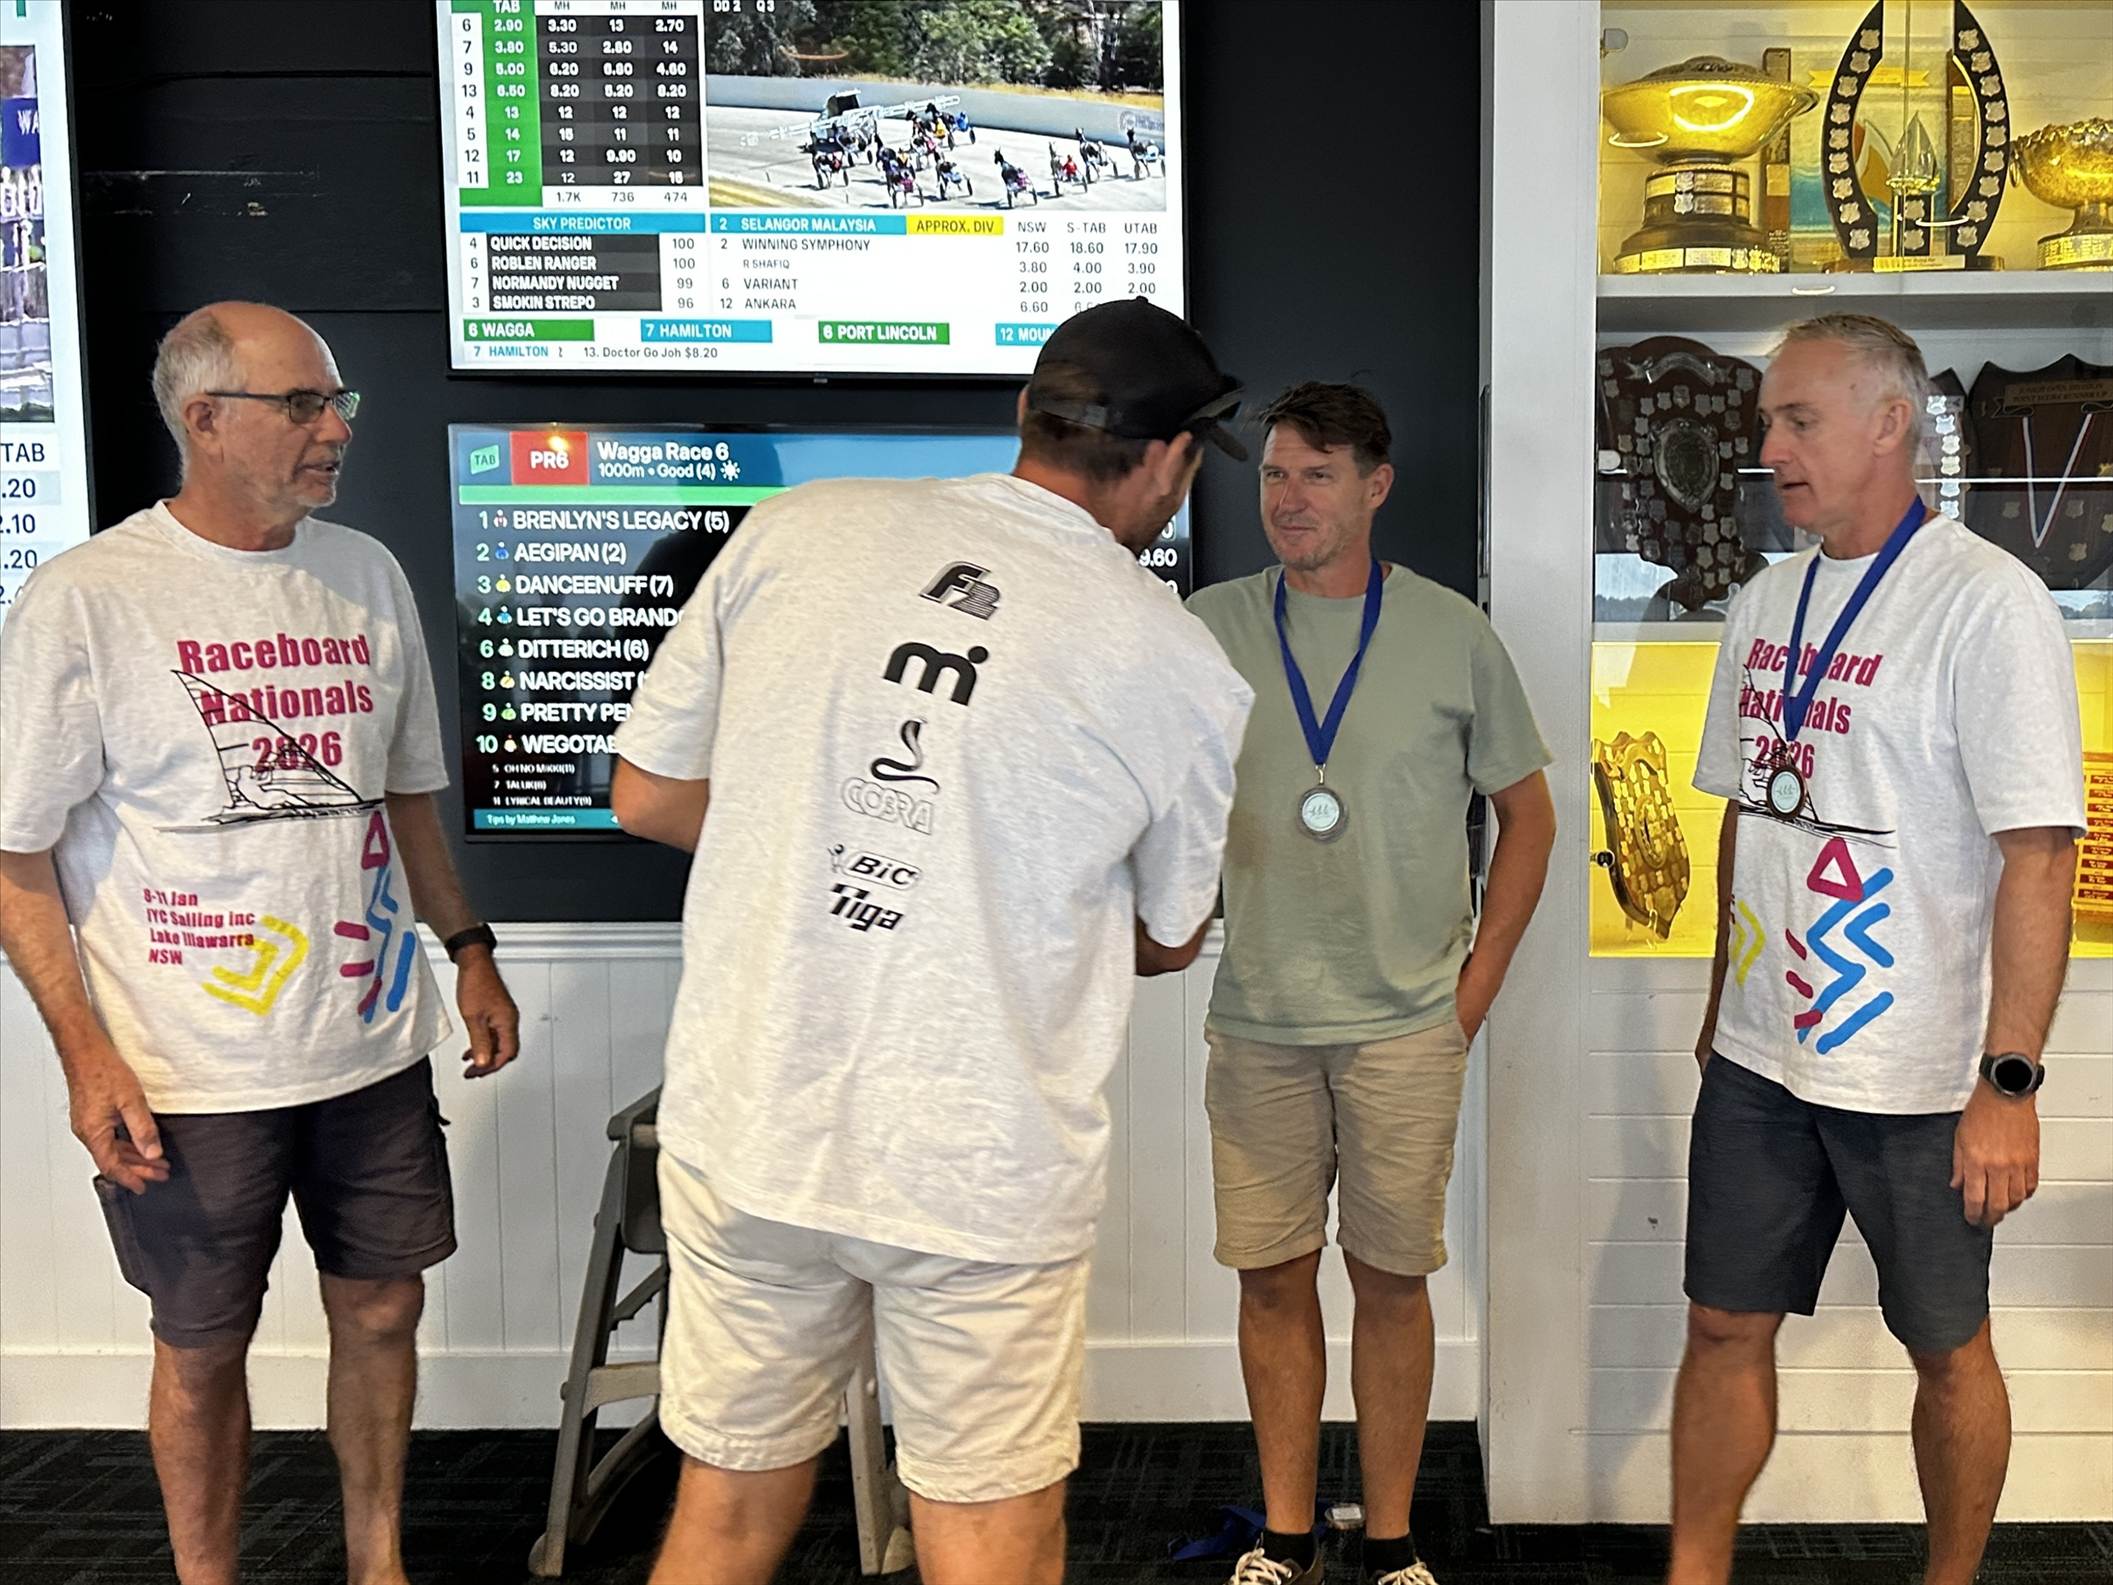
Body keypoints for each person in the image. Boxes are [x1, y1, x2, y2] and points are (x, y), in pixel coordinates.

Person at [609, 297, 1255, 1585]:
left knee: (726, 1502)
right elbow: (1169, 937)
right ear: (1173, 459)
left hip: (752, 1125)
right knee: (988, 1528)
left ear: (1026, 414)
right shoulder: (1179, 665)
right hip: (976, 1163)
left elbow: (648, 795)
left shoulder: (797, 528)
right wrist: (983, 885)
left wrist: (804, 846)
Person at [0, 301, 521, 1585]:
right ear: (205, 420)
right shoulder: (88, 600)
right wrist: (85, 1060)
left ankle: (376, 1563)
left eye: (337, 402)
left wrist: (466, 945)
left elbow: (404, 795)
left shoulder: (366, 573)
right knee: (203, 1340)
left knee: (383, 1303)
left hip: (368, 1038)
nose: (335, 428)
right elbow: (17, 856)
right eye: (303, 404)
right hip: (187, 1065)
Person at [1671, 315, 2083, 1585]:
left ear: (1889, 422)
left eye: (1797, 420)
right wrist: (1718, 1005)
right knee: (1720, 1322)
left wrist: (2007, 1082)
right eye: (1767, 424)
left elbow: (2039, 855)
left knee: (1946, 1346)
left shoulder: (1986, 603)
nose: (1770, 449)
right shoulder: (1765, 598)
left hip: (1920, 1074)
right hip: (1760, 1058)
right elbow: (1747, 811)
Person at [1185, 383, 1556, 1585]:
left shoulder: (1451, 632)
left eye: (1317, 474)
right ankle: (1285, 1537)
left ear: (1375, 486)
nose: (1288, 499)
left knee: (1393, 1285)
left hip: (1407, 1025)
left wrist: (1470, 996)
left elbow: (1530, 817)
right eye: (1273, 475)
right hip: (1260, 1021)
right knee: (1270, 1279)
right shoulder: (1206, 627)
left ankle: (1391, 1542)